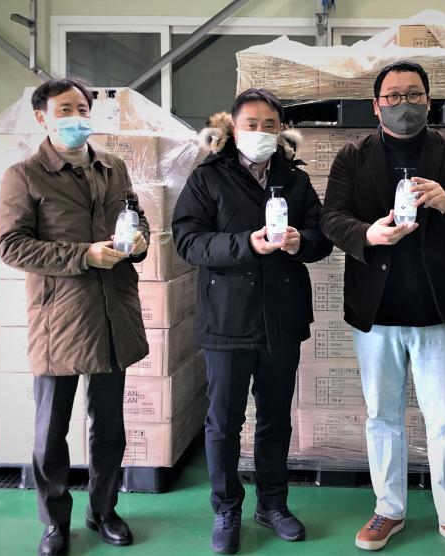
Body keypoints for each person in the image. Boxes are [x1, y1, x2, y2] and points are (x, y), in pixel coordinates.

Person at [320, 61, 445, 556]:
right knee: (382, 416)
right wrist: (368, 235)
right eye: (394, 96)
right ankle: (389, 509)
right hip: (375, 312)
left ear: (429, 101)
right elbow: (331, 218)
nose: (404, 104)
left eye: (414, 95)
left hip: (439, 311)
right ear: (376, 106)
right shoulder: (352, 157)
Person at [172, 88, 333, 555]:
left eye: (269, 125)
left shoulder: (294, 179)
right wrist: (247, 244)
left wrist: (301, 242)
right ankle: (226, 508)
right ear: (232, 126)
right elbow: (188, 241)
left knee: (275, 417)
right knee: (224, 421)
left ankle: (273, 504)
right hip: (227, 318)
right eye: (251, 124)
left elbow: (322, 236)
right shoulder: (208, 177)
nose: (261, 132)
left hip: (282, 317)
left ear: (280, 130)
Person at [0, 78, 150, 556]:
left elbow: (136, 216)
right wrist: (83, 254)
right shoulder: (25, 175)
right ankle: (55, 522)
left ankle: (103, 510)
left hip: (113, 313)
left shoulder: (113, 167)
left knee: (109, 427)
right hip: (59, 319)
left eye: (82, 108)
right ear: (41, 117)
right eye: (65, 109)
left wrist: (138, 240)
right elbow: (11, 245)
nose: (77, 117)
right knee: (51, 431)